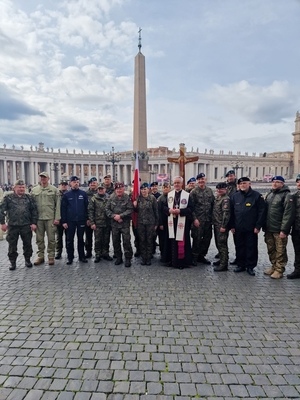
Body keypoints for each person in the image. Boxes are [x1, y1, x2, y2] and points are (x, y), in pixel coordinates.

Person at [230, 177, 266, 276]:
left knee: (251, 247)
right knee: (239, 246)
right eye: (241, 184)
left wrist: (258, 226)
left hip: (251, 228)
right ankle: (241, 265)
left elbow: (261, 212)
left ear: (249, 184)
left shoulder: (257, 196)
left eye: (244, 183)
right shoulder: (234, 196)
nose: (242, 185)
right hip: (238, 227)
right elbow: (231, 213)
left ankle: (250, 266)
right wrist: (232, 225)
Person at [0, 179, 38, 270]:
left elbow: (34, 211)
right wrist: (2, 223)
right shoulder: (8, 198)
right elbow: (1, 210)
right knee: (12, 245)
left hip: (26, 225)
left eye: (23, 187)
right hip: (13, 226)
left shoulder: (29, 198)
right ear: (14, 187)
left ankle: (27, 260)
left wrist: (34, 223)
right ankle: (12, 262)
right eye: (19, 187)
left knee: (27, 244)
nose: (21, 189)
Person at [263, 176, 295, 279]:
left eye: (278, 182)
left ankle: (279, 270)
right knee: (271, 249)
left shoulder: (287, 195)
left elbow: (288, 214)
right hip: (269, 228)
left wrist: (284, 230)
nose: (275, 184)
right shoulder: (270, 194)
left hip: (279, 229)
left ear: (282, 184)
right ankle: (273, 266)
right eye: (273, 182)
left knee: (280, 250)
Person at [161, 176, 193, 269]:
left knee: (181, 242)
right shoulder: (169, 195)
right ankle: (171, 260)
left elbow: (191, 209)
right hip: (171, 221)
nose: (176, 184)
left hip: (182, 222)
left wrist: (181, 211)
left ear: (182, 184)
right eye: (175, 183)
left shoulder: (187, 195)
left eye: (178, 183)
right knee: (171, 241)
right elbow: (163, 208)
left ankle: (181, 262)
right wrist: (169, 210)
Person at [31, 171, 60, 266]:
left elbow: (58, 205)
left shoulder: (54, 190)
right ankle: (40, 256)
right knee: (39, 239)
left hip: (50, 218)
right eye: (41, 177)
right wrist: (32, 221)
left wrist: (57, 218)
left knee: (51, 239)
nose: (43, 179)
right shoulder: (34, 190)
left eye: (44, 177)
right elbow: (30, 206)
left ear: (48, 178)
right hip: (38, 218)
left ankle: (51, 256)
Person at [60, 176, 89, 265]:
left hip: (81, 220)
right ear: (70, 183)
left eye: (77, 182)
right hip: (70, 221)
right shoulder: (66, 195)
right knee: (69, 240)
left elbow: (87, 207)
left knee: (81, 239)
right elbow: (63, 209)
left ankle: (82, 256)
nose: (76, 183)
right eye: (74, 182)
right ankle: (70, 257)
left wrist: (87, 218)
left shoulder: (83, 194)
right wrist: (64, 221)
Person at [106, 182, 133, 267]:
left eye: (120, 189)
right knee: (116, 241)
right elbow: (107, 209)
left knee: (126, 241)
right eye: (117, 189)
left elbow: (130, 209)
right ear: (115, 190)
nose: (119, 190)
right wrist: (114, 216)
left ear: (123, 189)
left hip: (124, 224)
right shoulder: (111, 197)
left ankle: (128, 258)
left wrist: (121, 216)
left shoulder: (127, 197)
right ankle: (119, 257)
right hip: (114, 224)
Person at [190, 173, 214, 265]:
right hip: (198, 220)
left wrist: (212, 218)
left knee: (207, 239)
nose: (201, 181)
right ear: (197, 181)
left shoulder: (209, 191)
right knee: (197, 238)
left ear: (205, 180)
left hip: (208, 220)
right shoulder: (194, 192)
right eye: (199, 179)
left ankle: (202, 255)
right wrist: (194, 219)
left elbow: (212, 204)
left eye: (202, 179)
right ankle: (194, 257)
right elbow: (191, 207)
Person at [133, 182, 159, 265]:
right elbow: (136, 212)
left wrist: (156, 224)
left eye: (145, 189)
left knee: (149, 241)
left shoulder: (152, 198)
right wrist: (134, 206)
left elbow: (156, 211)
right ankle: (144, 258)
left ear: (148, 189)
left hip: (150, 223)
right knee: (142, 241)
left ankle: (148, 257)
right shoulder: (138, 199)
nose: (143, 191)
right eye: (142, 189)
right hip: (141, 223)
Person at [88, 183, 113, 263]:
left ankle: (105, 253)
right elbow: (90, 211)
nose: (101, 190)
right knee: (98, 240)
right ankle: (98, 254)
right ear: (97, 190)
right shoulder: (94, 199)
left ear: (105, 189)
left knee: (106, 239)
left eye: (102, 189)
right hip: (98, 223)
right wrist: (92, 223)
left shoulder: (109, 198)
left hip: (107, 222)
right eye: (99, 189)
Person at [212, 182, 231, 272]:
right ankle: (221, 259)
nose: (219, 190)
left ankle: (224, 264)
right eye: (218, 189)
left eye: (222, 189)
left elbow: (226, 214)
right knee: (218, 243)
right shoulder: (218, 198)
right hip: (216, 224)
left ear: (226, 189)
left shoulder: (225, 199)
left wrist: (223, 226)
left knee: (222, 244)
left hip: (221, 225)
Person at [288, 174, 300, 279]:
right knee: (297, 251)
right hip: (296, 229)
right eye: (297, 181)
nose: (299, 183)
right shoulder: (294, 196)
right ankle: (298, 270)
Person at [55, 179, 69, 259]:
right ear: (59, 185)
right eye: (62, 184)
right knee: (58, 237)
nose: (63, 186)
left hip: (67, 219)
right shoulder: (56, 194)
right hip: (59, 219)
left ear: (67, 185)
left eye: (65, 184)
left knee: (68, 237)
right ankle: (58, 252)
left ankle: (68, 252)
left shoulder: (70, 194)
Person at [85, 177, 99, 258]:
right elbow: (83, 207)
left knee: (99, 237)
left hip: (99, 219)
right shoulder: (85, 194)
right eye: (91, 183)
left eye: (94, 183)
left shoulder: (100, 192)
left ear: (97, 184)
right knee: (88, 236)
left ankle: (99, 252)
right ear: (89, 184)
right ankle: (88, 251)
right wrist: (87, 218)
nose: (93, 184)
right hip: (88, 219)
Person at [157, 182, 171, 258]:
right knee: (162, 239)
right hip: (163, 221)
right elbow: (158, 212)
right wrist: (160, 223)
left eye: (167, 187)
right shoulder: (160, 199)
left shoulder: (172, 197)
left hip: (170, 221)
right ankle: (163, 254)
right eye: (164, 187)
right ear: (162, 189)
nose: (166, 189)